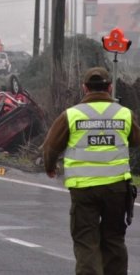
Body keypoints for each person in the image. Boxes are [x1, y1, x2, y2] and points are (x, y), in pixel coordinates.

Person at [42, 67, 140, 275]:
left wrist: (50, 167)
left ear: (84, 88)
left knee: (87, 241)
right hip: (116, 189)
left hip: (84, 189)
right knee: (114, 239)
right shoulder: (124, 114)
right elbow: (136, 140)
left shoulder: (72, 115)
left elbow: (50, 146)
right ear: (110, 87)